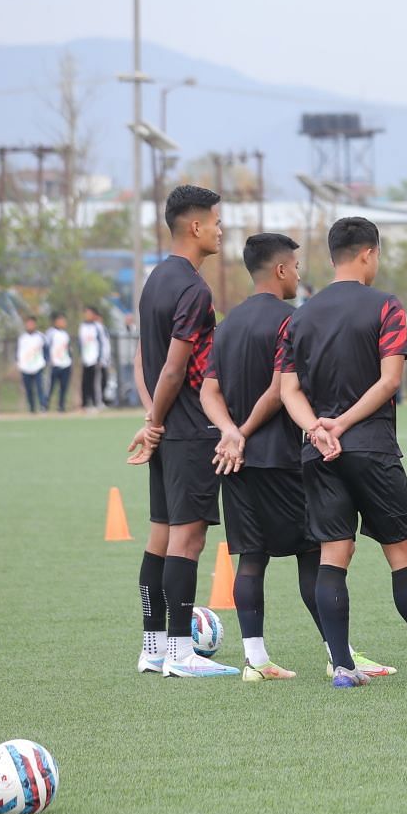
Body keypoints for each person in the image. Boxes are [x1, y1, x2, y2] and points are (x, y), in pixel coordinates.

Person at [276, 216, 407, 687]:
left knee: (334, 555)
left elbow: (288, 391)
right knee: (402, 553)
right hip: (371, 448)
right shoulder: (386, 306)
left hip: (319, 454)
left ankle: (343, 667)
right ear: (369, 253)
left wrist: (317, 429)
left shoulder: (299, 317)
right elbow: (390, 379)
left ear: (333, 257)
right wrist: (345, 424)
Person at [124, 185, 237, 677]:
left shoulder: (155, 279)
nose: (220, 229)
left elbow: (139, 362)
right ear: (195, 227)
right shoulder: (194, 288)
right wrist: (156, 423)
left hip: (168, 428)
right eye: (215, 221)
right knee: (186, 542)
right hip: (189, 430)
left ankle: (152, 648)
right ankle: (179, 653)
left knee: (159, 537)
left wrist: (152, 421)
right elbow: (171, 369)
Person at [202, 232, 323, 681]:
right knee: (314, 552)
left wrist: (230, 433)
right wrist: (245, 431)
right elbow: (280, 388)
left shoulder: (228, 323)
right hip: (283, 457)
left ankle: (255, 659)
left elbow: (208, 389)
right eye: (294, 266)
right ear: (279, 269)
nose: (298, 273)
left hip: (236, 462)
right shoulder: (291, 321)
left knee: (251, 558)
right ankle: (338, 652)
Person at [78, 305, 110, 411]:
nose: (87, 315)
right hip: (86, 360)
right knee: (85, 382)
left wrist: (100, 358)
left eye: (89, 313)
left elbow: (102, 343)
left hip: (95, 360)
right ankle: (85, 403)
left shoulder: (98, 327)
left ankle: (97, 403)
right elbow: (80, 343)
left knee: (96, 382)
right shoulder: (82, 326)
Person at [16, 315, 46, 414]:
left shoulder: (41, 337)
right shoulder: (22, 338)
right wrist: (19, 363)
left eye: (31, 323)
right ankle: (32, 408)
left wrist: (45, 361)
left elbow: (46, 350)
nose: (30, 325)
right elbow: (18, 352)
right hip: (25, 367)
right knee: (29, 389)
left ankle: (43, 406)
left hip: (38, 366)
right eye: (28, 323)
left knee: (40, 387)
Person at [44, 312, 73, 412]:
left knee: (64, 387)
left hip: (66, 364)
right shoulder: (50, 333)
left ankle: (61, 406)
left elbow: (68, 348)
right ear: (55, 321)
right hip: (54, 364)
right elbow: (46, 347)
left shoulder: (65, 334)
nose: (63, 323)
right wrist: (48, 360)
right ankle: (45, 405)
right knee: (50, 387)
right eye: (61, 321)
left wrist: (70, 359)